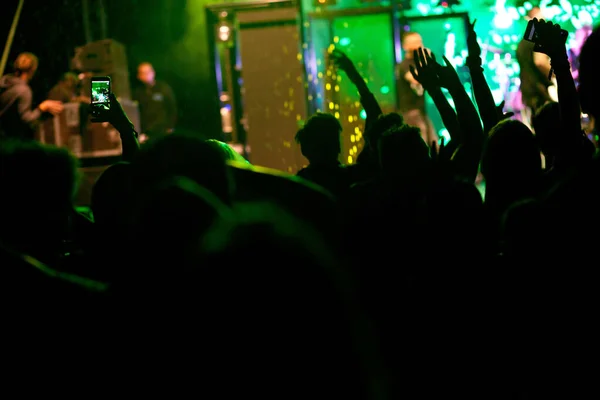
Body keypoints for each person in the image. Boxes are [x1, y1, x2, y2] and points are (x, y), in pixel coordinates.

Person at [0, 52, 63, 140]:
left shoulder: (4, 82)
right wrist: (41, 108)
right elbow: (27, 120)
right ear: (33, 69)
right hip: (8, 141)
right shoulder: (24, 91)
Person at [395, 32, 436, 145]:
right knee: (420, 143)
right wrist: (425, 59)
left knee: (433, 143)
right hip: (410, 111)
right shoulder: (403, 65)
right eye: (414, 42)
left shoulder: (417, 62)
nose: (418, 45)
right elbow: (415, 79)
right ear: (405, 46)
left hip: (421, 110)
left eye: (419, 42)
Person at [516, 7, 553, 124]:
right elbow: (540, 62)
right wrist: (557, 73)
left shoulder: (522, 43)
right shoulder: (538, 38)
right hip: (540, 92)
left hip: (528, 91)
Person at [133, 62, 177, 142]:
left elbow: (172, 108)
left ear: (153, 73)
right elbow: (136, 114)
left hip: (163, 131)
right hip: (147, 134)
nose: (146, 75)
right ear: (139, 76)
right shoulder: (137, 93)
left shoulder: (164, 89)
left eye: (148, 72)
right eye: (143, 73)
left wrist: (170, 127)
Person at [48, 72, 91, 137]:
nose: (72, 84)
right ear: (66, 80)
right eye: (71, 81)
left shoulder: (67, 90)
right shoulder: (59, 89)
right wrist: (81, 99)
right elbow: (69, 101)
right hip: (59, 118)